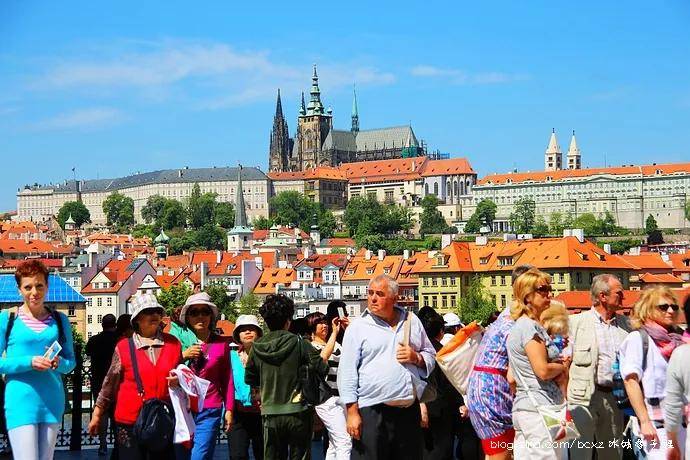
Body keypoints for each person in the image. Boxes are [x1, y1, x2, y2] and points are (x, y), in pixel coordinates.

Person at [338, 274, 436, 460]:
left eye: (380, 294)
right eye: (370, 293)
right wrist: (351, 412)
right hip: (373, 411)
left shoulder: (412, 321)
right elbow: (347, 373)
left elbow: (431, 355)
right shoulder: (358, 327)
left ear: (394, 298)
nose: (373, 298)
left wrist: (416, 358)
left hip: (407, 411)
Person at [87, 294, 182, 459]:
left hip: (161, 417)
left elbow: (183, 375)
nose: (154, 315)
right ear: (137, 319)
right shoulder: (124, 347)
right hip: (129, 419)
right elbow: (110, 383)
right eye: (148, 312)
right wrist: (97, 414)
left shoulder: (173, 344)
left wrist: (179, 381)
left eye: (157, 311)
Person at [0, 259, 76, 460]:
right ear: (19, 290)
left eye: (39, 285)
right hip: (20, 401)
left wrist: (59, 363)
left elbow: (71, 362)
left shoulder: (60, 320)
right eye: (28, 287)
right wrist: (29, 362)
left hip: (52, 400)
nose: (34, 292)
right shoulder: (6, 319)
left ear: (47, 286)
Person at [245, 294, 328, 460]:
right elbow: (322, 368)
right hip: (298, 411)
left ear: (266, 322)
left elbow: (250, 379)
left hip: (270, 413)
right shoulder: (299, 343)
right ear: (288, 321)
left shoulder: (256, 347)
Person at [466, 264, 533, 460]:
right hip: (493, 395)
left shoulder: (506, 315)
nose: (549, 295)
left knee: (499, 454)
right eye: (542, 289)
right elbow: (514, 375)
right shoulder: (517, 321)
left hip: (486, 391)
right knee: (501, 455)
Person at [507, 268, 570, 459]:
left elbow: (512, 376)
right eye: (542, 289)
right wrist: (563, 367)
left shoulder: (524, 325)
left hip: (529, 408)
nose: (549, 293)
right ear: (527, 296)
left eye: (549, 288)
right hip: (539, 409)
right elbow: (542, 370)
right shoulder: (529, 327)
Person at [567, 274, 630, 460]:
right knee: (581, 453)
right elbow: (563, 364)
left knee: (612, 453)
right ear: (603, 296)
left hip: (614, 398)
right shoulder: (575, 324)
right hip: (582, 398)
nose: (623, 297)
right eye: (619, 293)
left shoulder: (627, 326)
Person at [619, 286, 687, 459]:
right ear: (647, 309)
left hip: (682, 421)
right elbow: (631, 381)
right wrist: (644, 421)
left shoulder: (681, 338)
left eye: (674, 307)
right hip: (656, 424)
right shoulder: (638, 339)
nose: (670, 310)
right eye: (663, 307)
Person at [176, 292, 234, 460]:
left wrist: (229, 409)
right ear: (187, 317)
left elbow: (227, 379)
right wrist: (183, 355)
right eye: (194, 312)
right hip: (182, 409)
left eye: (205, 312)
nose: (200, 316)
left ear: (211, 316)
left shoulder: (221, 344)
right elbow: (166, 371)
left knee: (199, 456)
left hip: (209, 408)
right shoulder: (176, 343)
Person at [417, 307, 463, 460]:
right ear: (441, 331)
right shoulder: (444, 353)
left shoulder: (414, 352)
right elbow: (452, 384)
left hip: (416, 410)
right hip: (441, 412)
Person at [305, 312, 351, 460]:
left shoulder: (336, 344)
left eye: (325, 322)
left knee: (334, 442)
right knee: (344, 440)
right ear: (312, 327)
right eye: (320, 323)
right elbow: (323, 358)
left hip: (341, 396)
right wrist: (335, 333)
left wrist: (348, 329)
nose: (324, 325)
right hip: (326, 398)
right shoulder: (311, 347)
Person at [228, 315, 264, 460]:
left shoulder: (267, 356)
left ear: (258, 333)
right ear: (238, 335)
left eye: (252, 329)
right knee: (238, 455)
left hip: (262, 413)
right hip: (238, 413)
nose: (248, 332)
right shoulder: (231, 357)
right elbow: (227, 385)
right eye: (243, 329)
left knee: (263, 454)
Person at [85, 313, 119, 456]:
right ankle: (118, 444)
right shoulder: (119, 340)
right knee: (116, 415)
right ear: (115, 325)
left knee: (102, 414)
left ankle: (103, 445)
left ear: (102, 325)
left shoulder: (94, 340)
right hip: (117, 382)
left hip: (99, 381)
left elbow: (87, 352)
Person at [540, 302, 570, 396]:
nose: (552, 338)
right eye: (550, 333)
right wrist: (562, 368)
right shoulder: (536, 338)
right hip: (543, 399)